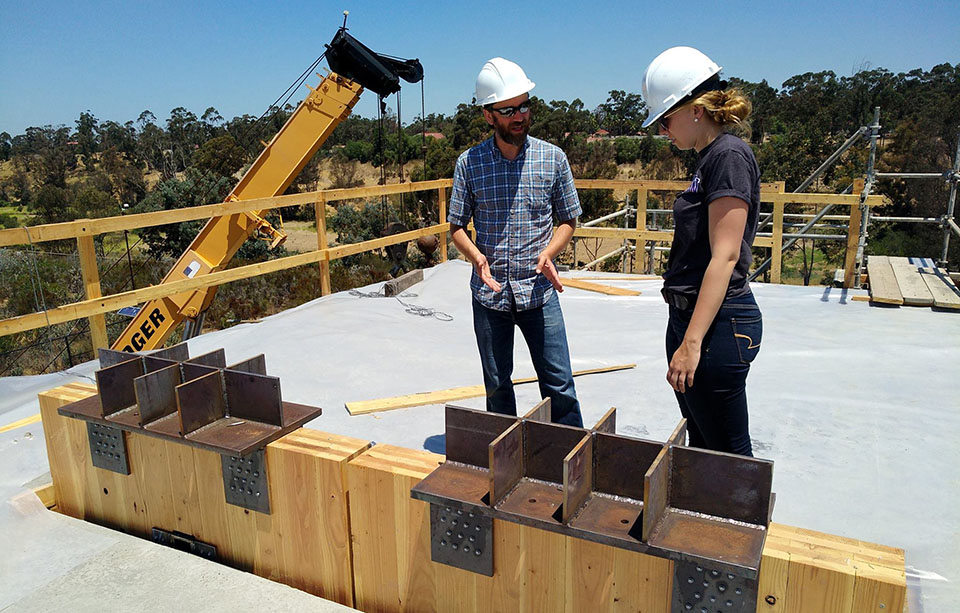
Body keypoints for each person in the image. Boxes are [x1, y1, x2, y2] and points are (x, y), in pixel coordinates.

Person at [448, 57, 583, 427]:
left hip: (538, 292)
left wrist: (549, 252)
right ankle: (507, 466)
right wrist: (476, 257)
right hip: (490, 296)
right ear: (488, 115)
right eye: (508, 109)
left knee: (559, 386)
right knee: (497, 387)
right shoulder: (469, 163)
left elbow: (569, 219)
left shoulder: (552, 158)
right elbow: (456, 226)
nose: (520, 115)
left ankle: (569, 463)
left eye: (524, 105)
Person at [640, 47, 763, 456]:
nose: (663, 131)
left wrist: (691, 343)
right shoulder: (708, 158)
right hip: (693, 319)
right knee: (704, 446)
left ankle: (737, 520)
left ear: (695, 109)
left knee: (727, 454)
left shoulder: (728, 156)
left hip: (717, 327)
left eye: (665, 119)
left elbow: (725, 256)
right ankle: (708, 519)